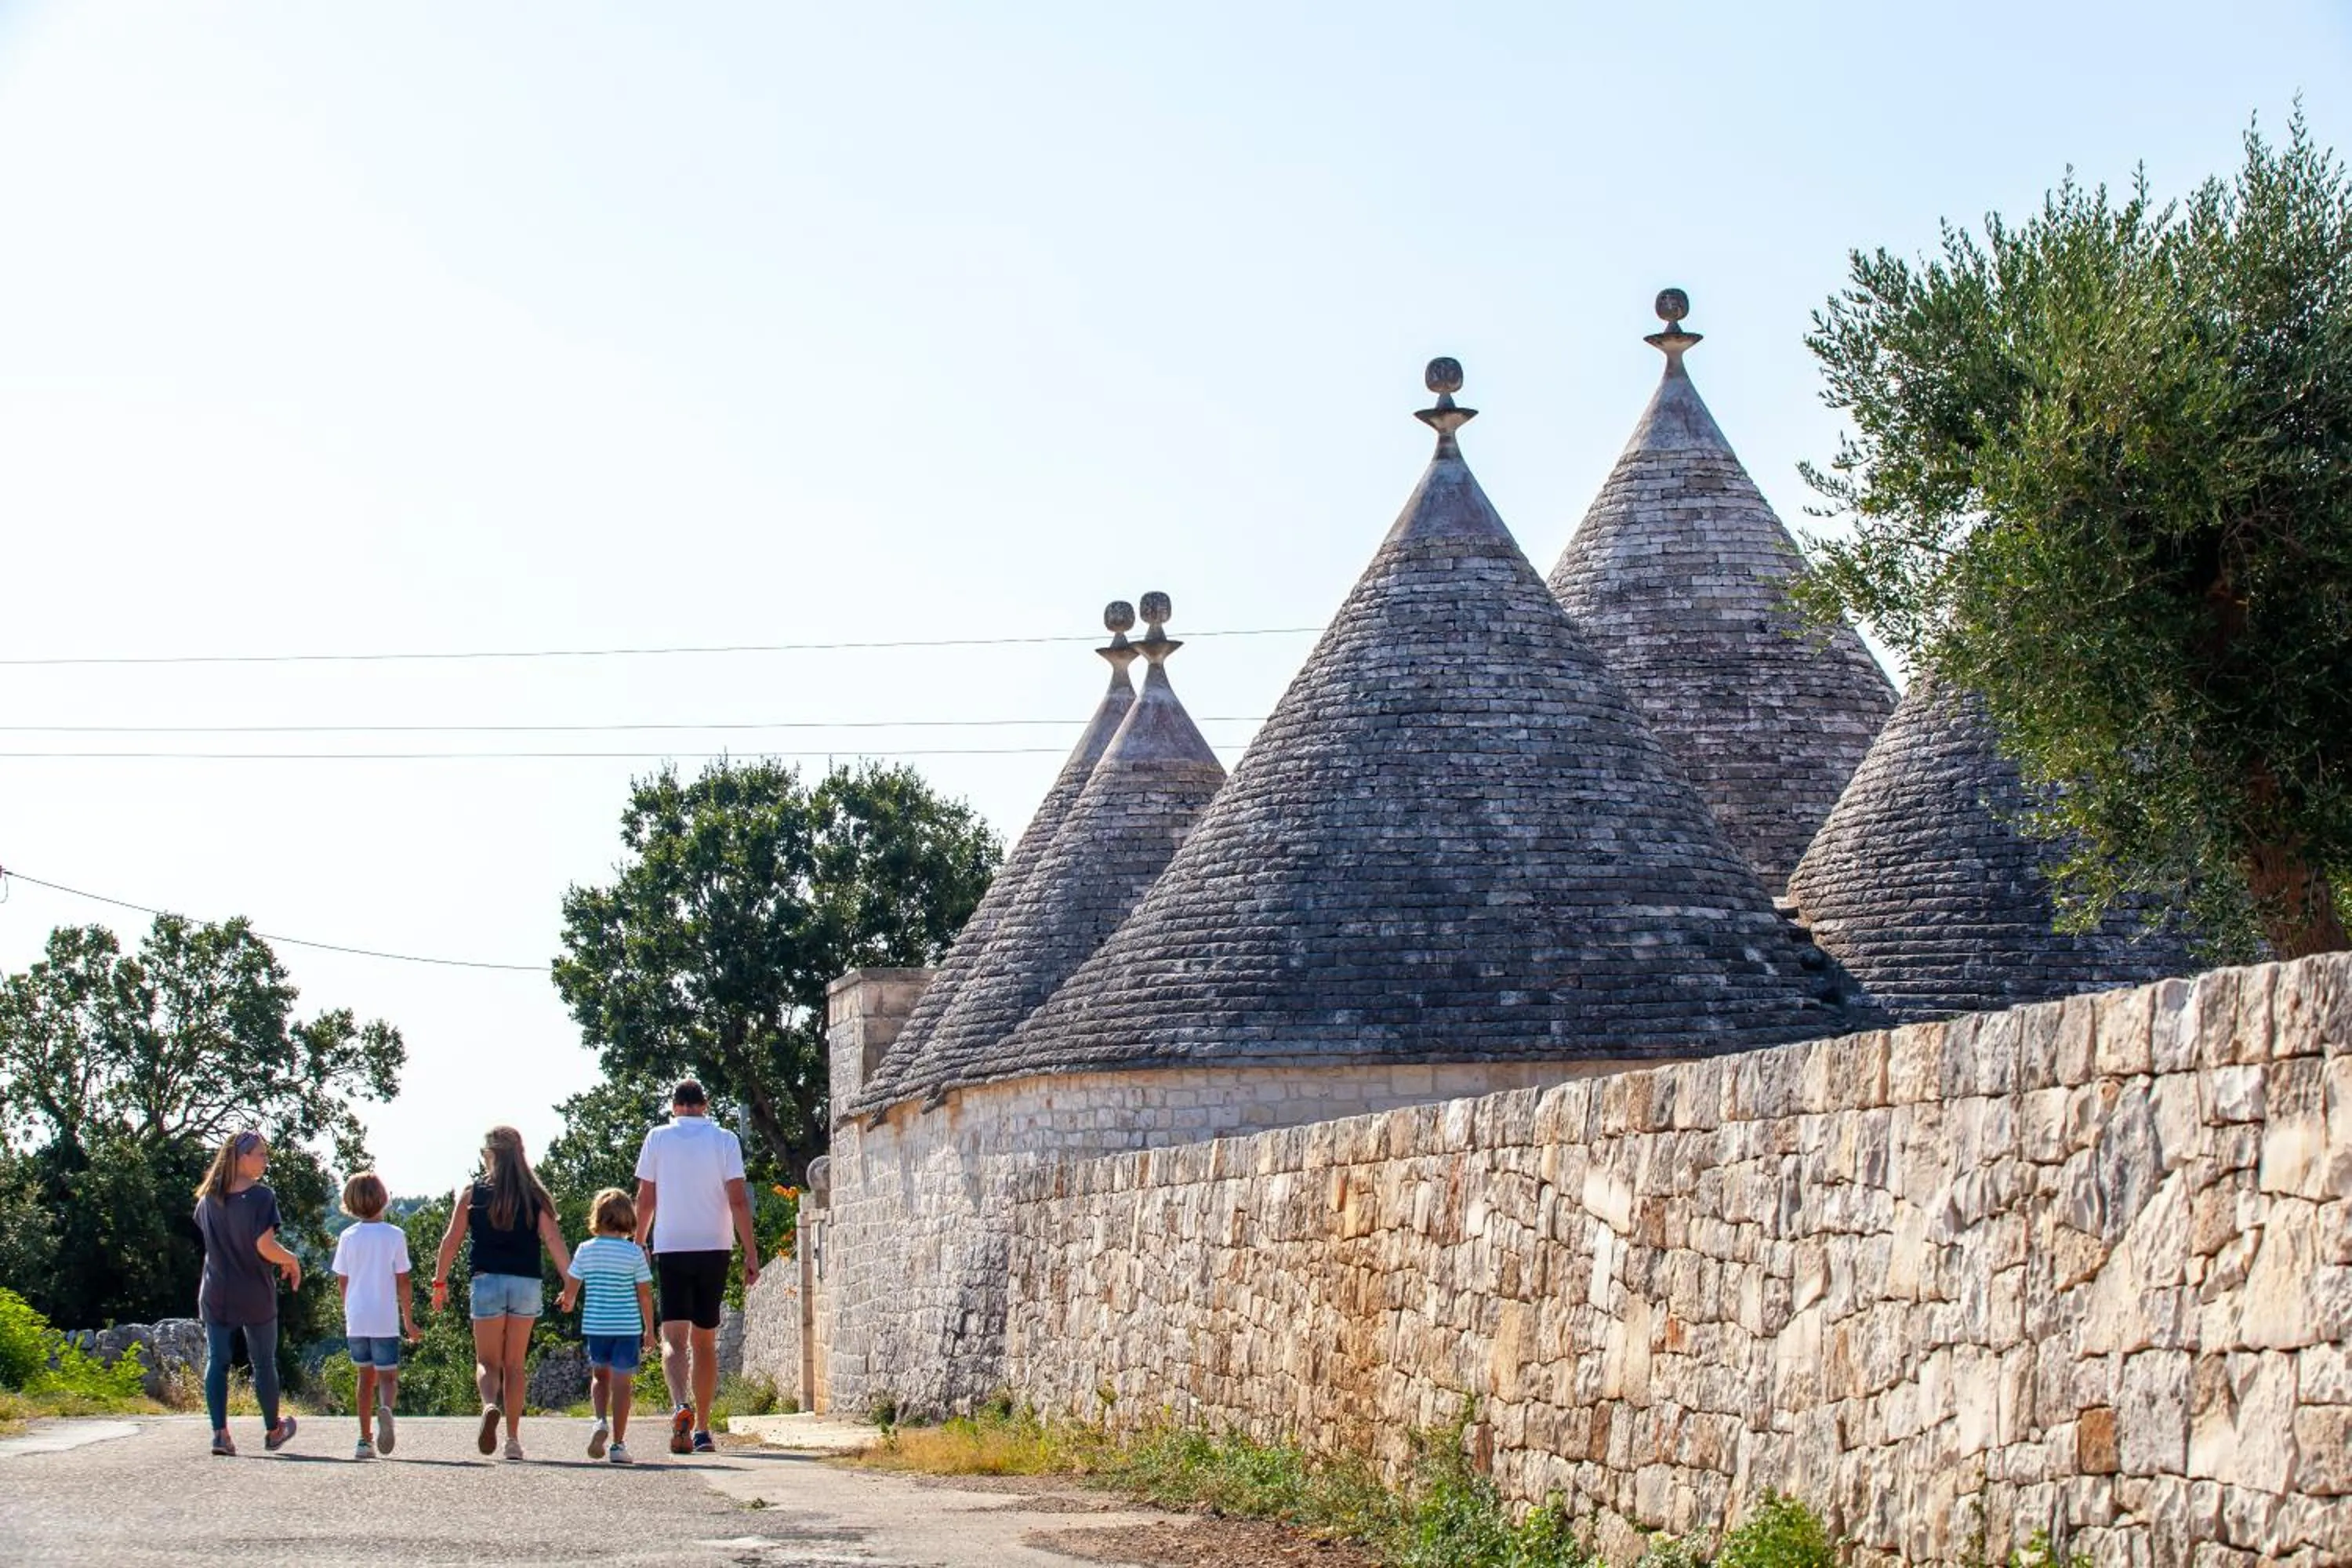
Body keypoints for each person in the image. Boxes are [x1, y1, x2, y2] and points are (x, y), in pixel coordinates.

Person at [633, 1079, 759, 1455]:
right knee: (704, 1342)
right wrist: (751, 1253)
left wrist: (639, 1243)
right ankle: (703, 1429)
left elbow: (646, 1197)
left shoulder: (658, 1138)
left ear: (674, 1106)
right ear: (706, 1104)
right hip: (714, 1247)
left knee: (674, 1339)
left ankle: (679, 1406)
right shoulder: (724, 1140)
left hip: (672, 1247)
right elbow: (737, 1199)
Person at [431, 1126, 571, 1461]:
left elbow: (451, 1241)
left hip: (487, 1281)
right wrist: (570, 1284)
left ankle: (489, 1405)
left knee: (486, 1361)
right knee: (515, 1365)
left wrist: (440, 1283)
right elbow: (554, 1241)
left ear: (490, 1155)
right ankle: (512, 1440)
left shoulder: (472, 1193)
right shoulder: (535, 1195)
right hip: (526, 1283)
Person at [191, 1130, 302, 1457]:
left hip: (216, 1289)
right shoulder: (261, 1197)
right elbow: (264, 1246)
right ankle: (273, 1430)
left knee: (218, 1360)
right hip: (253, 1290)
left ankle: (220, 1435)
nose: (266, 1161)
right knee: (264, 1362)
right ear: (241, 1158)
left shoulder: (208, 1198)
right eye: (260, 1155)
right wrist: (291, 1259)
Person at [557, 1186, 655, 1465]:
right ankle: (618, 1444)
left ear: (597, 1217)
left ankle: (600, 1421)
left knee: (600, 1377)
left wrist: (568, 1302)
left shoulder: (585, 1250)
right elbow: (645, 1294)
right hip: (626, 1327)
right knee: (623, 1384)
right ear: (629, 1218)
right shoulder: (634, 1253)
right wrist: (649, 1330)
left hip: (597, 1325)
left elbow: (572, 1285)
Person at [330, 1171, 419, 1461]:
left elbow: (342, 1280)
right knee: (388, 1377)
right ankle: (387, 1410)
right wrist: (408, 1320)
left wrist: (348, 1310)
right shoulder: (395, 1236)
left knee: (364, 1377)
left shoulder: (347, 1236)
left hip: (357, 1317)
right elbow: (403, 1281)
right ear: (383, 1199)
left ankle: (364, 1440)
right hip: (384, 1318)